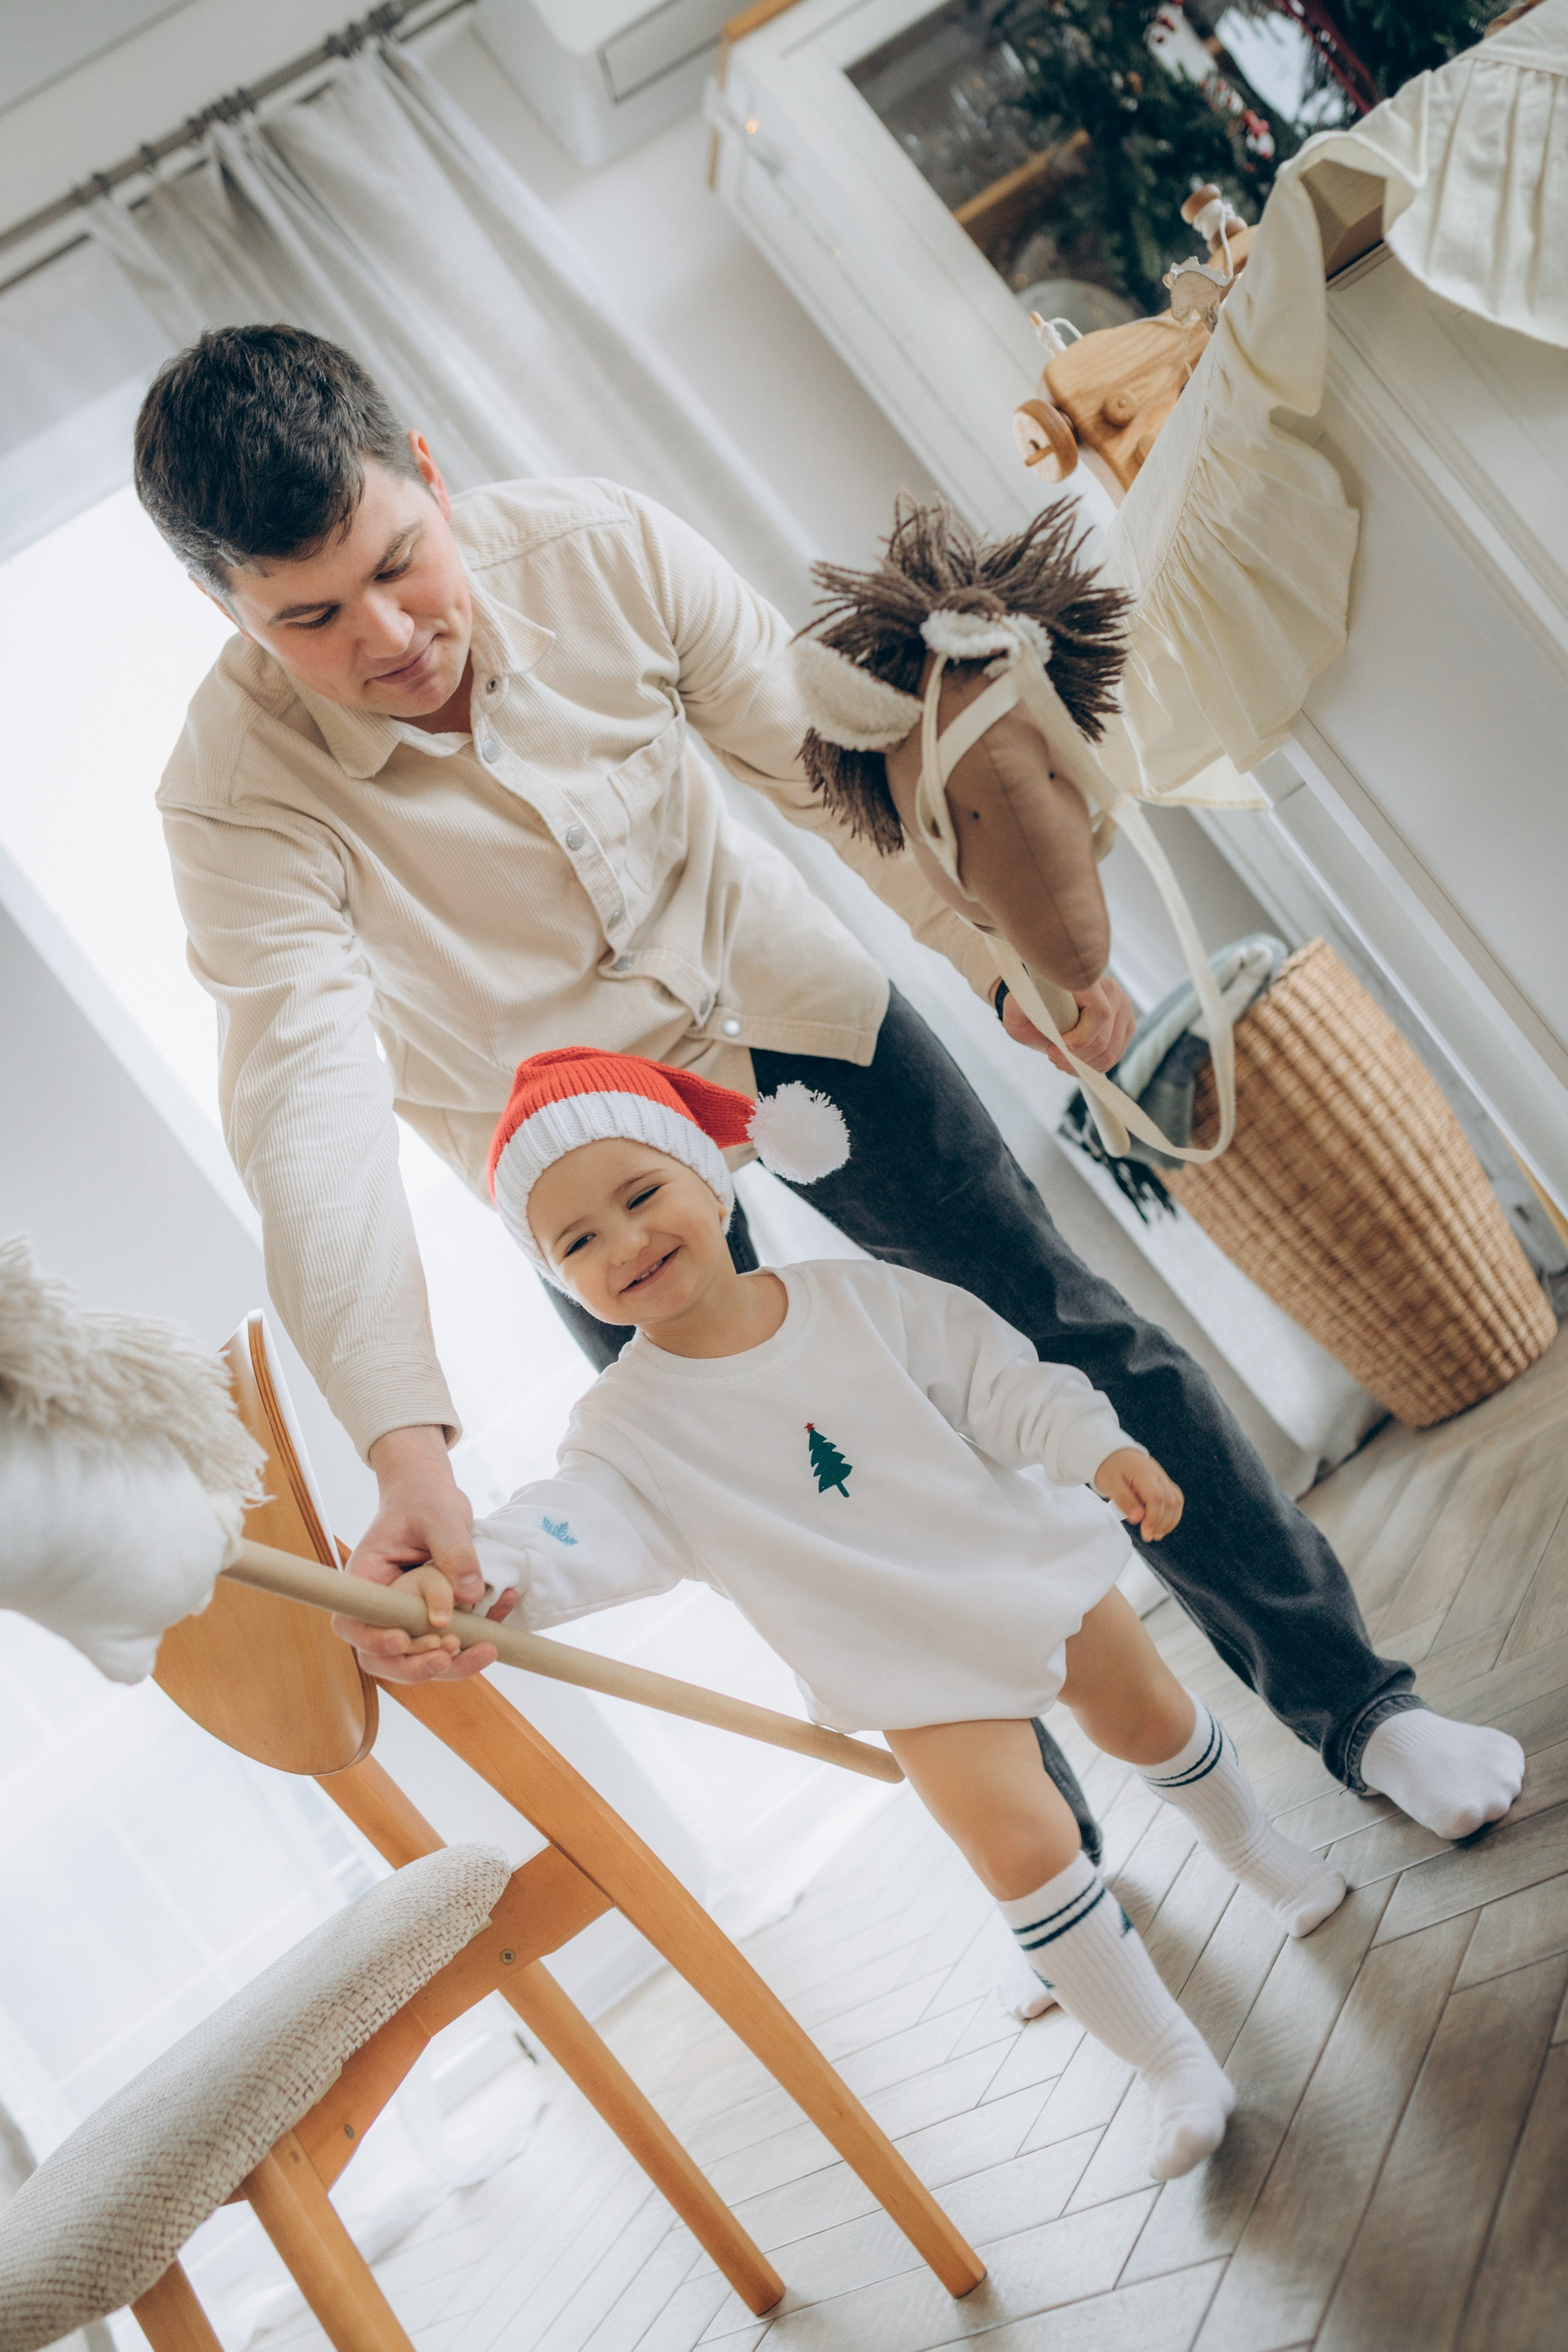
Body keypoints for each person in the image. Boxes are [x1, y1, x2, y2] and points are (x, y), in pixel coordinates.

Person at [137, 322, 1522, 1843]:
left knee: (1063, 1330)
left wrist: (994, 960)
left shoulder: (604, 548)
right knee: (800, 1495)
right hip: (560, 1146)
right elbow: (309, 1120)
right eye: (314, 617)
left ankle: (1363, 1711)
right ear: (227, 606)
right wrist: (411, 1455)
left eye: (403, 562)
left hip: (779, 1002)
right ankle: (1046, 1856)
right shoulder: (231, 798)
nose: (389, 637)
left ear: (426, 472)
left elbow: (825, 771)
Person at [442, 1044, 1349, 2182]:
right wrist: (486, 1573)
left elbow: (1002, 1378)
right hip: (901, 1659)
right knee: (1020, 1846)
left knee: (1150, 1721)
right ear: (557, 1277)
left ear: (710, 1177)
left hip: (1015, 1564)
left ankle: (1260, 1853)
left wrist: (1096, 1445)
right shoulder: (623, 1430)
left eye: (641, 1195)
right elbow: (573, 1526)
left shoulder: (860, 1297)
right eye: (576, 1240)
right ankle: (1171, 2060)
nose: (623, 1242)